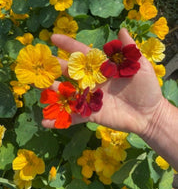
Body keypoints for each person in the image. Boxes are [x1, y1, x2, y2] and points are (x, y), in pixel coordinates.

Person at [42, 28, 178, 172]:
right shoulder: (102, 71)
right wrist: (156, 115)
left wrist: (155, 115)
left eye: (119, 58)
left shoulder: (104, 74)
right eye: (117, 57)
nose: (119, 59)